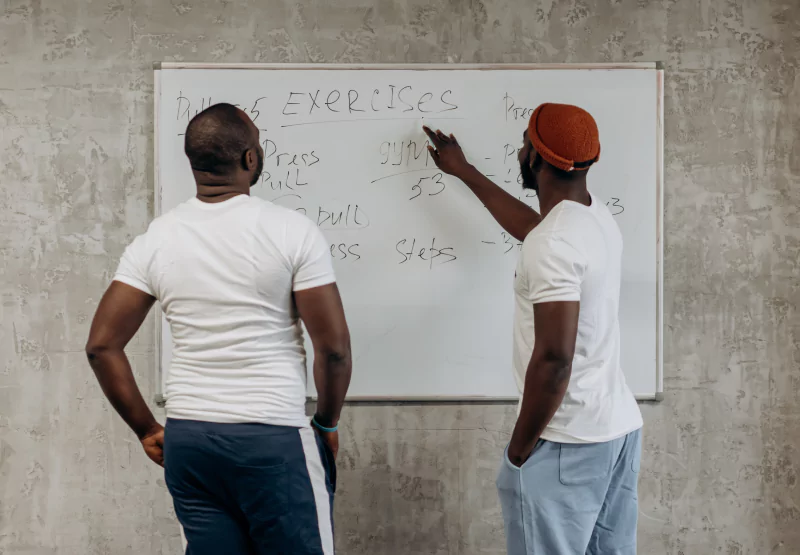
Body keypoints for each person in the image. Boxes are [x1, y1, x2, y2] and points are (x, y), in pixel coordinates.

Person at [86, 103, 351, 555]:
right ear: (250, 159)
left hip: (191, 441)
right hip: (271, 436)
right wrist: (326, 421)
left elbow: (102, 346)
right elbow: (333, 350)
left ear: (194, 163)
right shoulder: (292, 232)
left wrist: (149, 429)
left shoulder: (156, 239)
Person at [423, 103, 643, 555]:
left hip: (564, 443)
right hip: (615, 431)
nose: (519, 148)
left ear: (536, 158)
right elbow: (536, 231)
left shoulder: (556, 241)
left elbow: (554, 359)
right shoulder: (592, 217)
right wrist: (464, 172)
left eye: (524, 141)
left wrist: (520, 452)